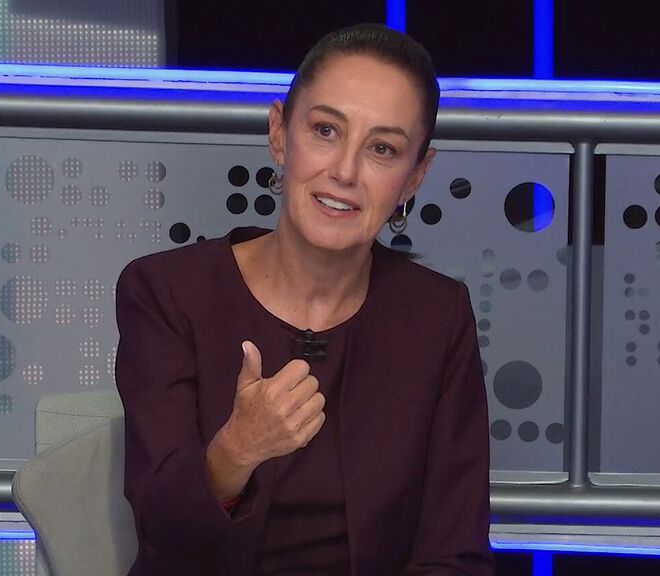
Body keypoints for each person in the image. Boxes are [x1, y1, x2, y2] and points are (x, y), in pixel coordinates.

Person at [115, 23, 493, 575]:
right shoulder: (167, 293)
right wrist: (237, 450)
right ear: (279, 133)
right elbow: (162, 538)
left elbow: (454, 554)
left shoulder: (438, 317)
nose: (344, 172)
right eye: (325, 130)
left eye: (382, 149)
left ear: (415, 177)